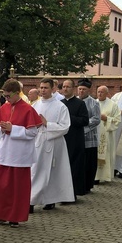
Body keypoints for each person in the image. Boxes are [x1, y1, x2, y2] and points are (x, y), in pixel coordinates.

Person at [0, 79, 42, 228]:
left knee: (17, 189)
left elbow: (32, 132)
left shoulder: (28, 109)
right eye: (4, 96)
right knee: (0, 187)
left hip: (20, 155)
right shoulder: (5, 108)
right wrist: (2, 128)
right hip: (4, 152)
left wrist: (13, 129)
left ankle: (15, 217)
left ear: (16, 93)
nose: (6, 99)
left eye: (8, 96)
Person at [30, 78, 75, 211]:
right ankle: (31, 201)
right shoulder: (35, 105)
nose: (43, 90)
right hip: (38, 142)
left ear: (53, 89)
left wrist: (47, 124)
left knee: (53, 172)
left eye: (46, 88)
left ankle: (51, 199)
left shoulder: (60, 106)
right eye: (41, 87)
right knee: (35, 171)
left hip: (54, 143)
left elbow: (65, 127)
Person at [60, 79, 89, 196]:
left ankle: (73, 192)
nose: (65, 89)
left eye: (68, 87)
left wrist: (69, 117)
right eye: (64, 87)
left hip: (75, 139)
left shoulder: (80, 103)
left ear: (73, 88)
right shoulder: (59, 103)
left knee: (74, 166)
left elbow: (85, 120)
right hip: (62, 138)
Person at [77, 79, 101, 193]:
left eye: (84, 89)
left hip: (89, 137)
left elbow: (96, 119)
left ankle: (87, 185)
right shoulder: (75, 101)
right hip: (76, 138)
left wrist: (83, 126)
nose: (81, 91)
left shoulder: (94, 102)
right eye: (80, 89)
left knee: (89, 163)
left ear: (89, 90)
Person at [95, 86, 121, 183]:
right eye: (98, 92)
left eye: (102, 92)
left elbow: (118, 120)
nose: (100, 94)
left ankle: (104, 176)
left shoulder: (113, 105)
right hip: (95, 134)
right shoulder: (94, 103)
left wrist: (107, 119)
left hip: (107, 135)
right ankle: (95, 177)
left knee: (106, 154)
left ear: (107, 93)